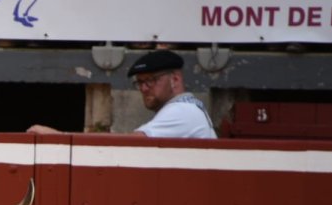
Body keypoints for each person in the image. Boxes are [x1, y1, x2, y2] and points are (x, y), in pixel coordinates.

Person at [28, 49, 217, 139]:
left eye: (150, 80)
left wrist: (61, 136)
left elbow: (132, 142)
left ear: (175, 79)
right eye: (140, 82)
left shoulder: (182, 111)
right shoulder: (186, 107)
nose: (143, 88)